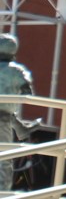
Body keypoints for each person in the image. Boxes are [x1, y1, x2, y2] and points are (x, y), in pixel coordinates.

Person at [0, 34, 36, 190]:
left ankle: (21, 128)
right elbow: (27, 90)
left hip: (5, 117)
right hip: (3, 119)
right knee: (4, 158)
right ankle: (2, 192)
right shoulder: (16, 70)